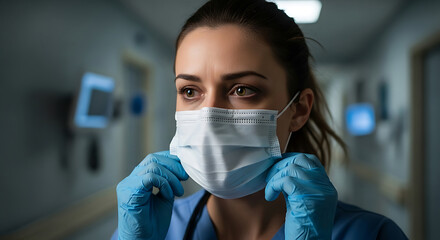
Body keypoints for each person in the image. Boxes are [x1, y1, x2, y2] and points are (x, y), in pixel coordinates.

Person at [112, 0, 408, 239]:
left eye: (242, 90)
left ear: (299, 110)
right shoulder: (149, 229)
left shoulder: (370, 234)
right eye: (190, 91)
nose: (209, 117)